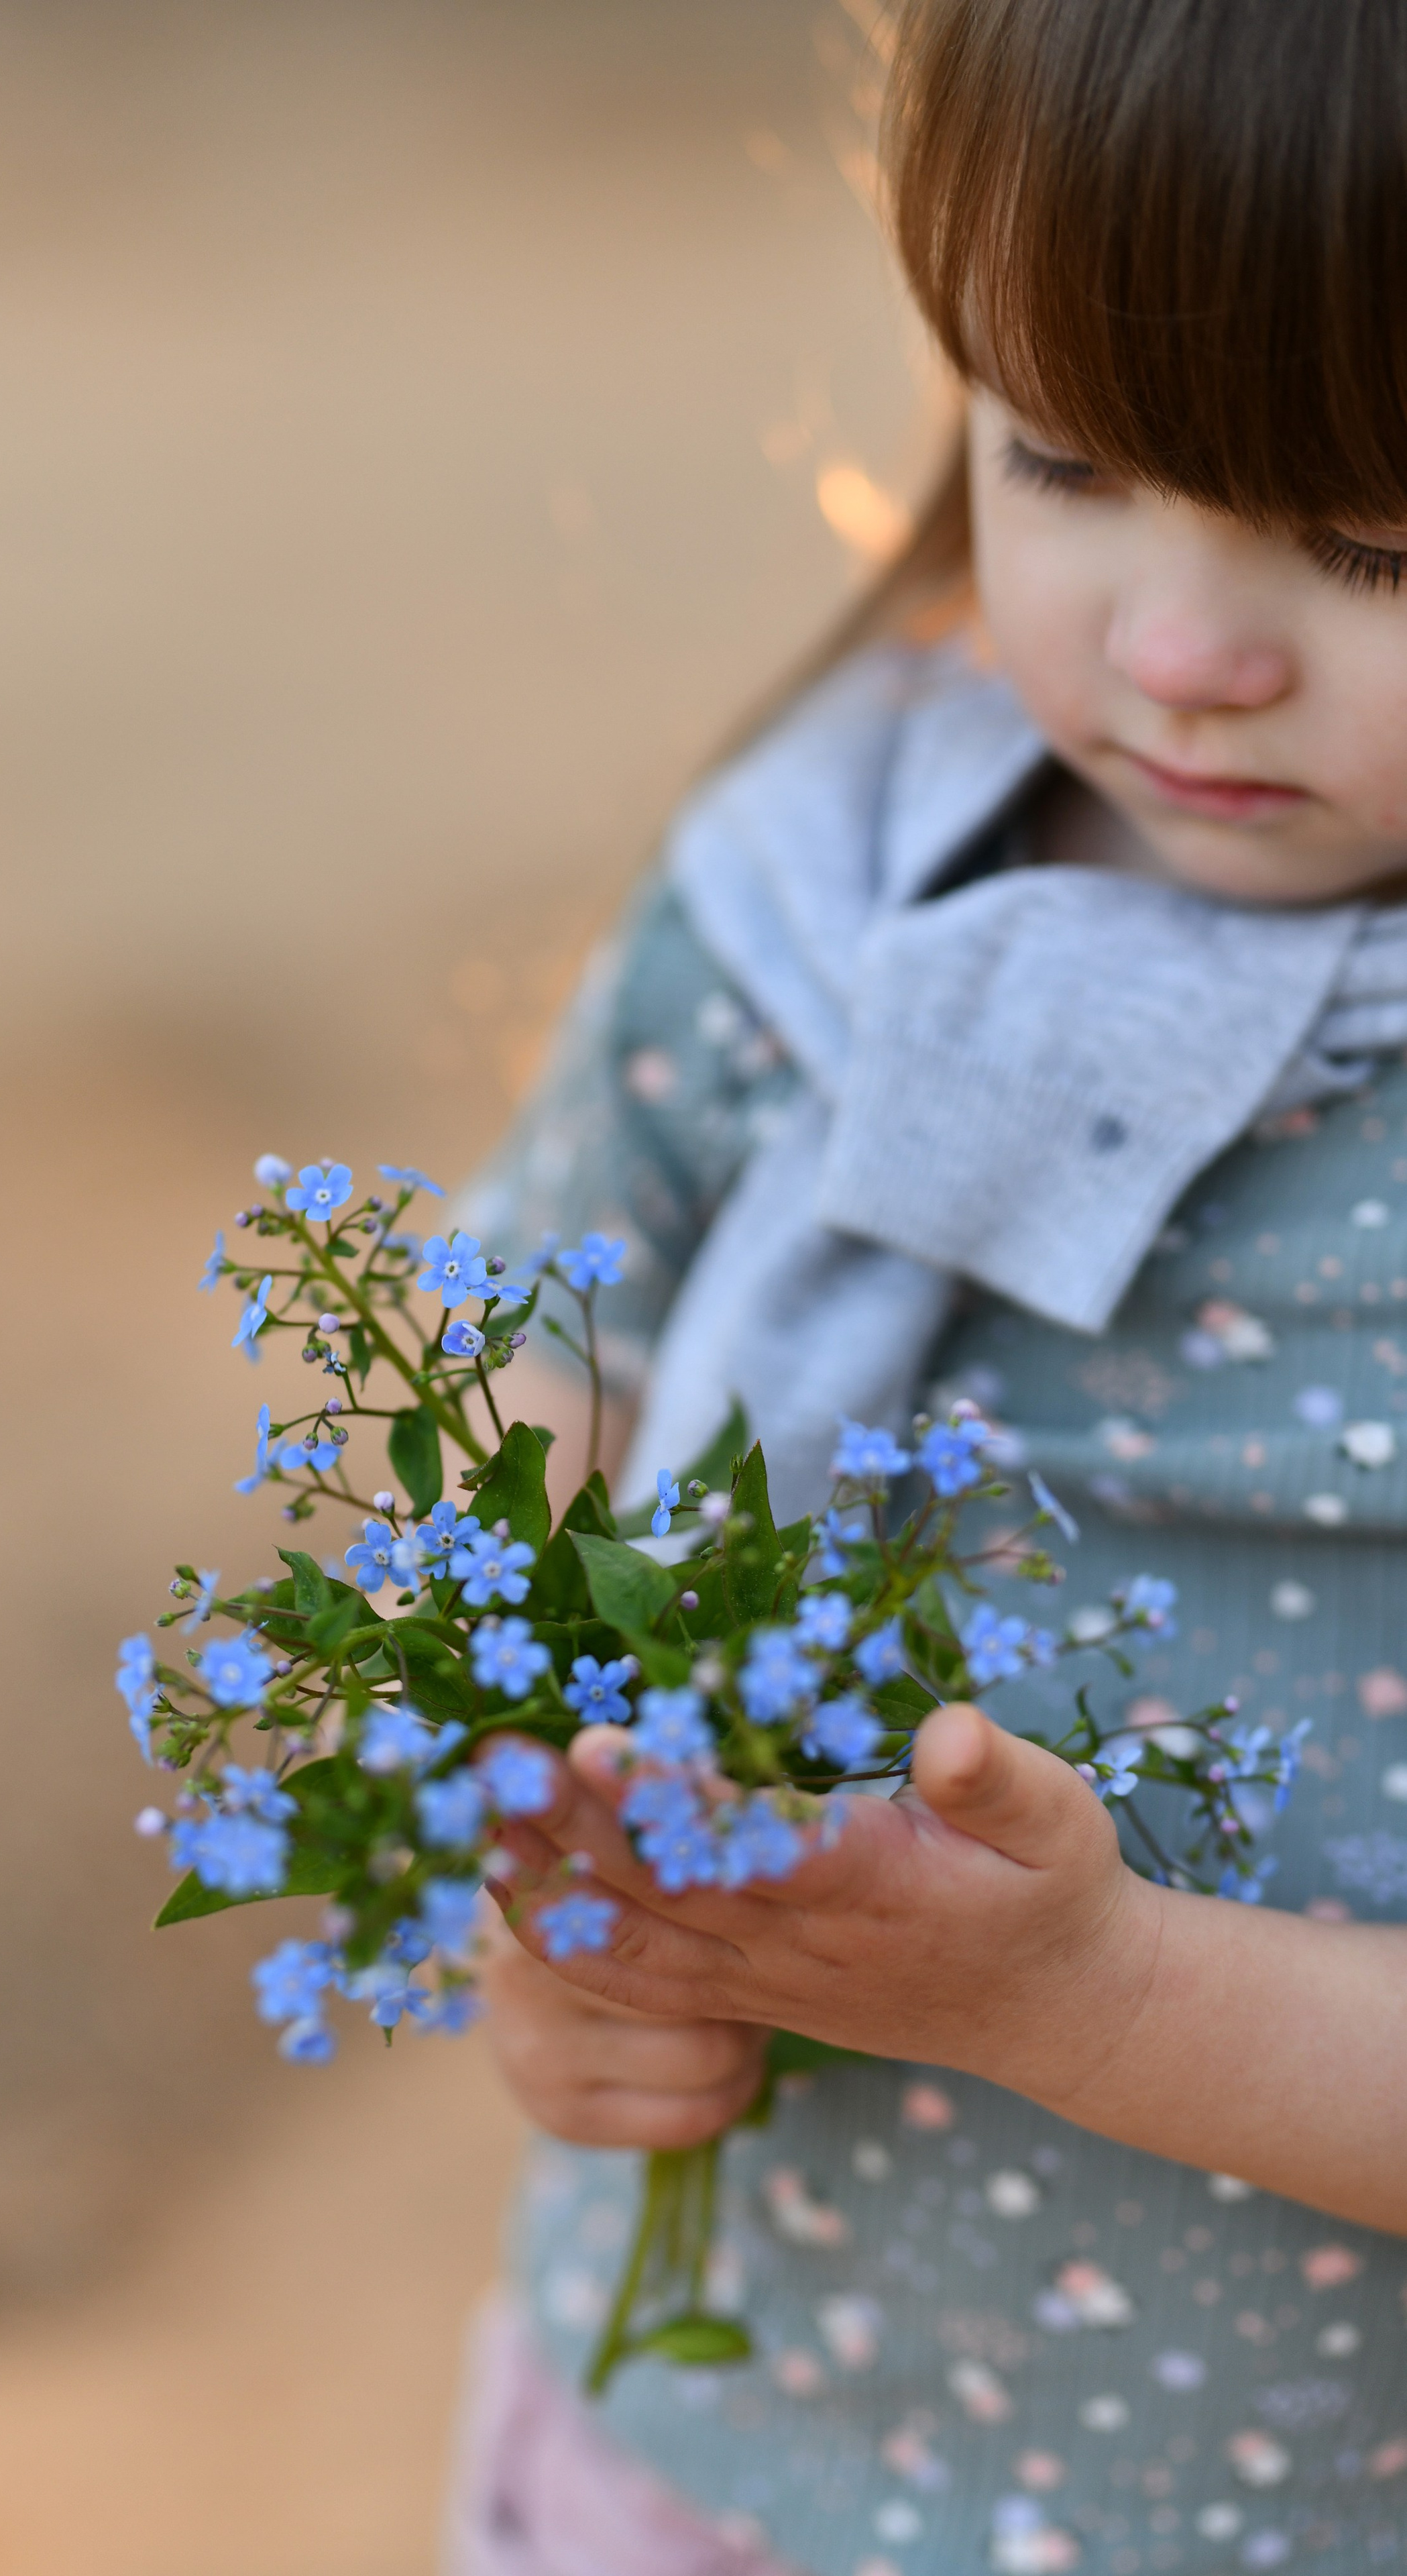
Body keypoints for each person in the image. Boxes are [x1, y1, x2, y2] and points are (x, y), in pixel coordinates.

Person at [441, 0, 1407, 2567]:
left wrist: (1095, 2000)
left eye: (1373, 549)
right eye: (1067, 457)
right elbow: (532, 1351)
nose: (1183, 651)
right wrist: (534, 1849)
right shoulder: (827, 887)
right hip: (711, 2449)